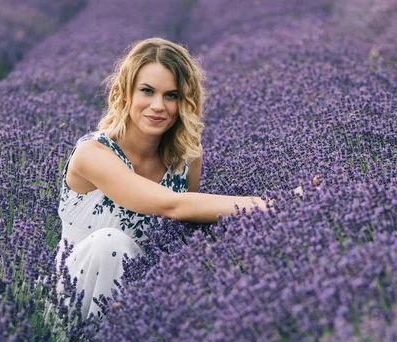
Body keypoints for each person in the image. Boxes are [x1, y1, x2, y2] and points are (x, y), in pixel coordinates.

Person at [55, 37, 269, 320]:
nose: (158, 105)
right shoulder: (92, 153)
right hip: (71, 301)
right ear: (125, 92)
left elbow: (181, 231)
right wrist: (272, 205)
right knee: (110, 243)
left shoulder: (186, 159)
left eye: (172, 95)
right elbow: (173, 205)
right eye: (147, 91)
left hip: (141, 301)